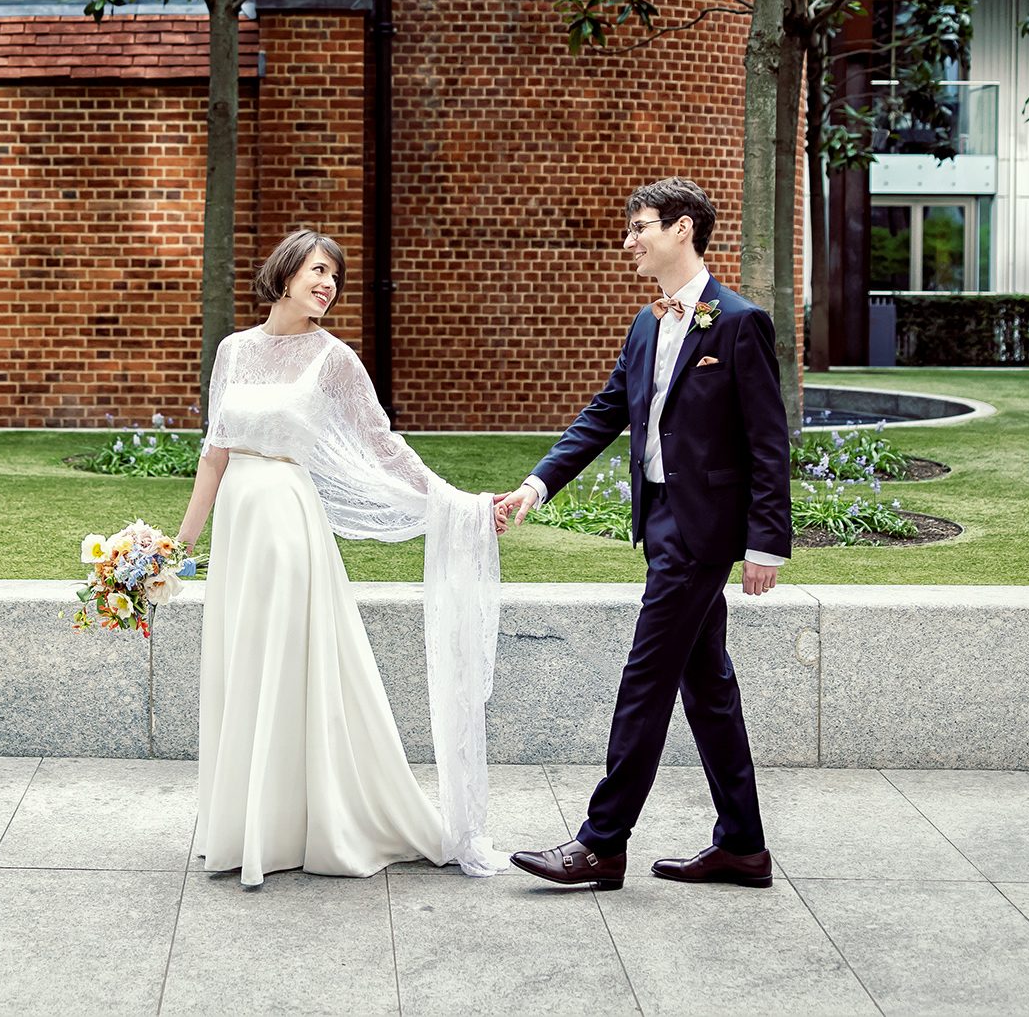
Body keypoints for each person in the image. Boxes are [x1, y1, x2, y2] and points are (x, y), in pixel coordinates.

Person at [175, 229, 504, 886]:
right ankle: (253, 828)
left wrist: (454, 502)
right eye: (318, 271)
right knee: (243, 666)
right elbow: (213, 454)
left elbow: (383, 447)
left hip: (289, 525)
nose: (327, 284)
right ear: (286, 271)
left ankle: (311, 825)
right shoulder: (234, 351)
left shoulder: (334, 360)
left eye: (335, 277)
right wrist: (175, 548)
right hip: (238, 530)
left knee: (288, 666)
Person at [495, 177, 792, 890]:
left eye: (640, 226)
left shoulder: (739, 322)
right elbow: (604, 413)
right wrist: (536, 484)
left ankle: (602, 842)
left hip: (702, 532)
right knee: (706, 681)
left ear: (683, 228)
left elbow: (769, 440)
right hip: (658, 519)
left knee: (647, 676)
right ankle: (743, 845)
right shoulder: (645, 322)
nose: (629, 240)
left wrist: (765, 542)